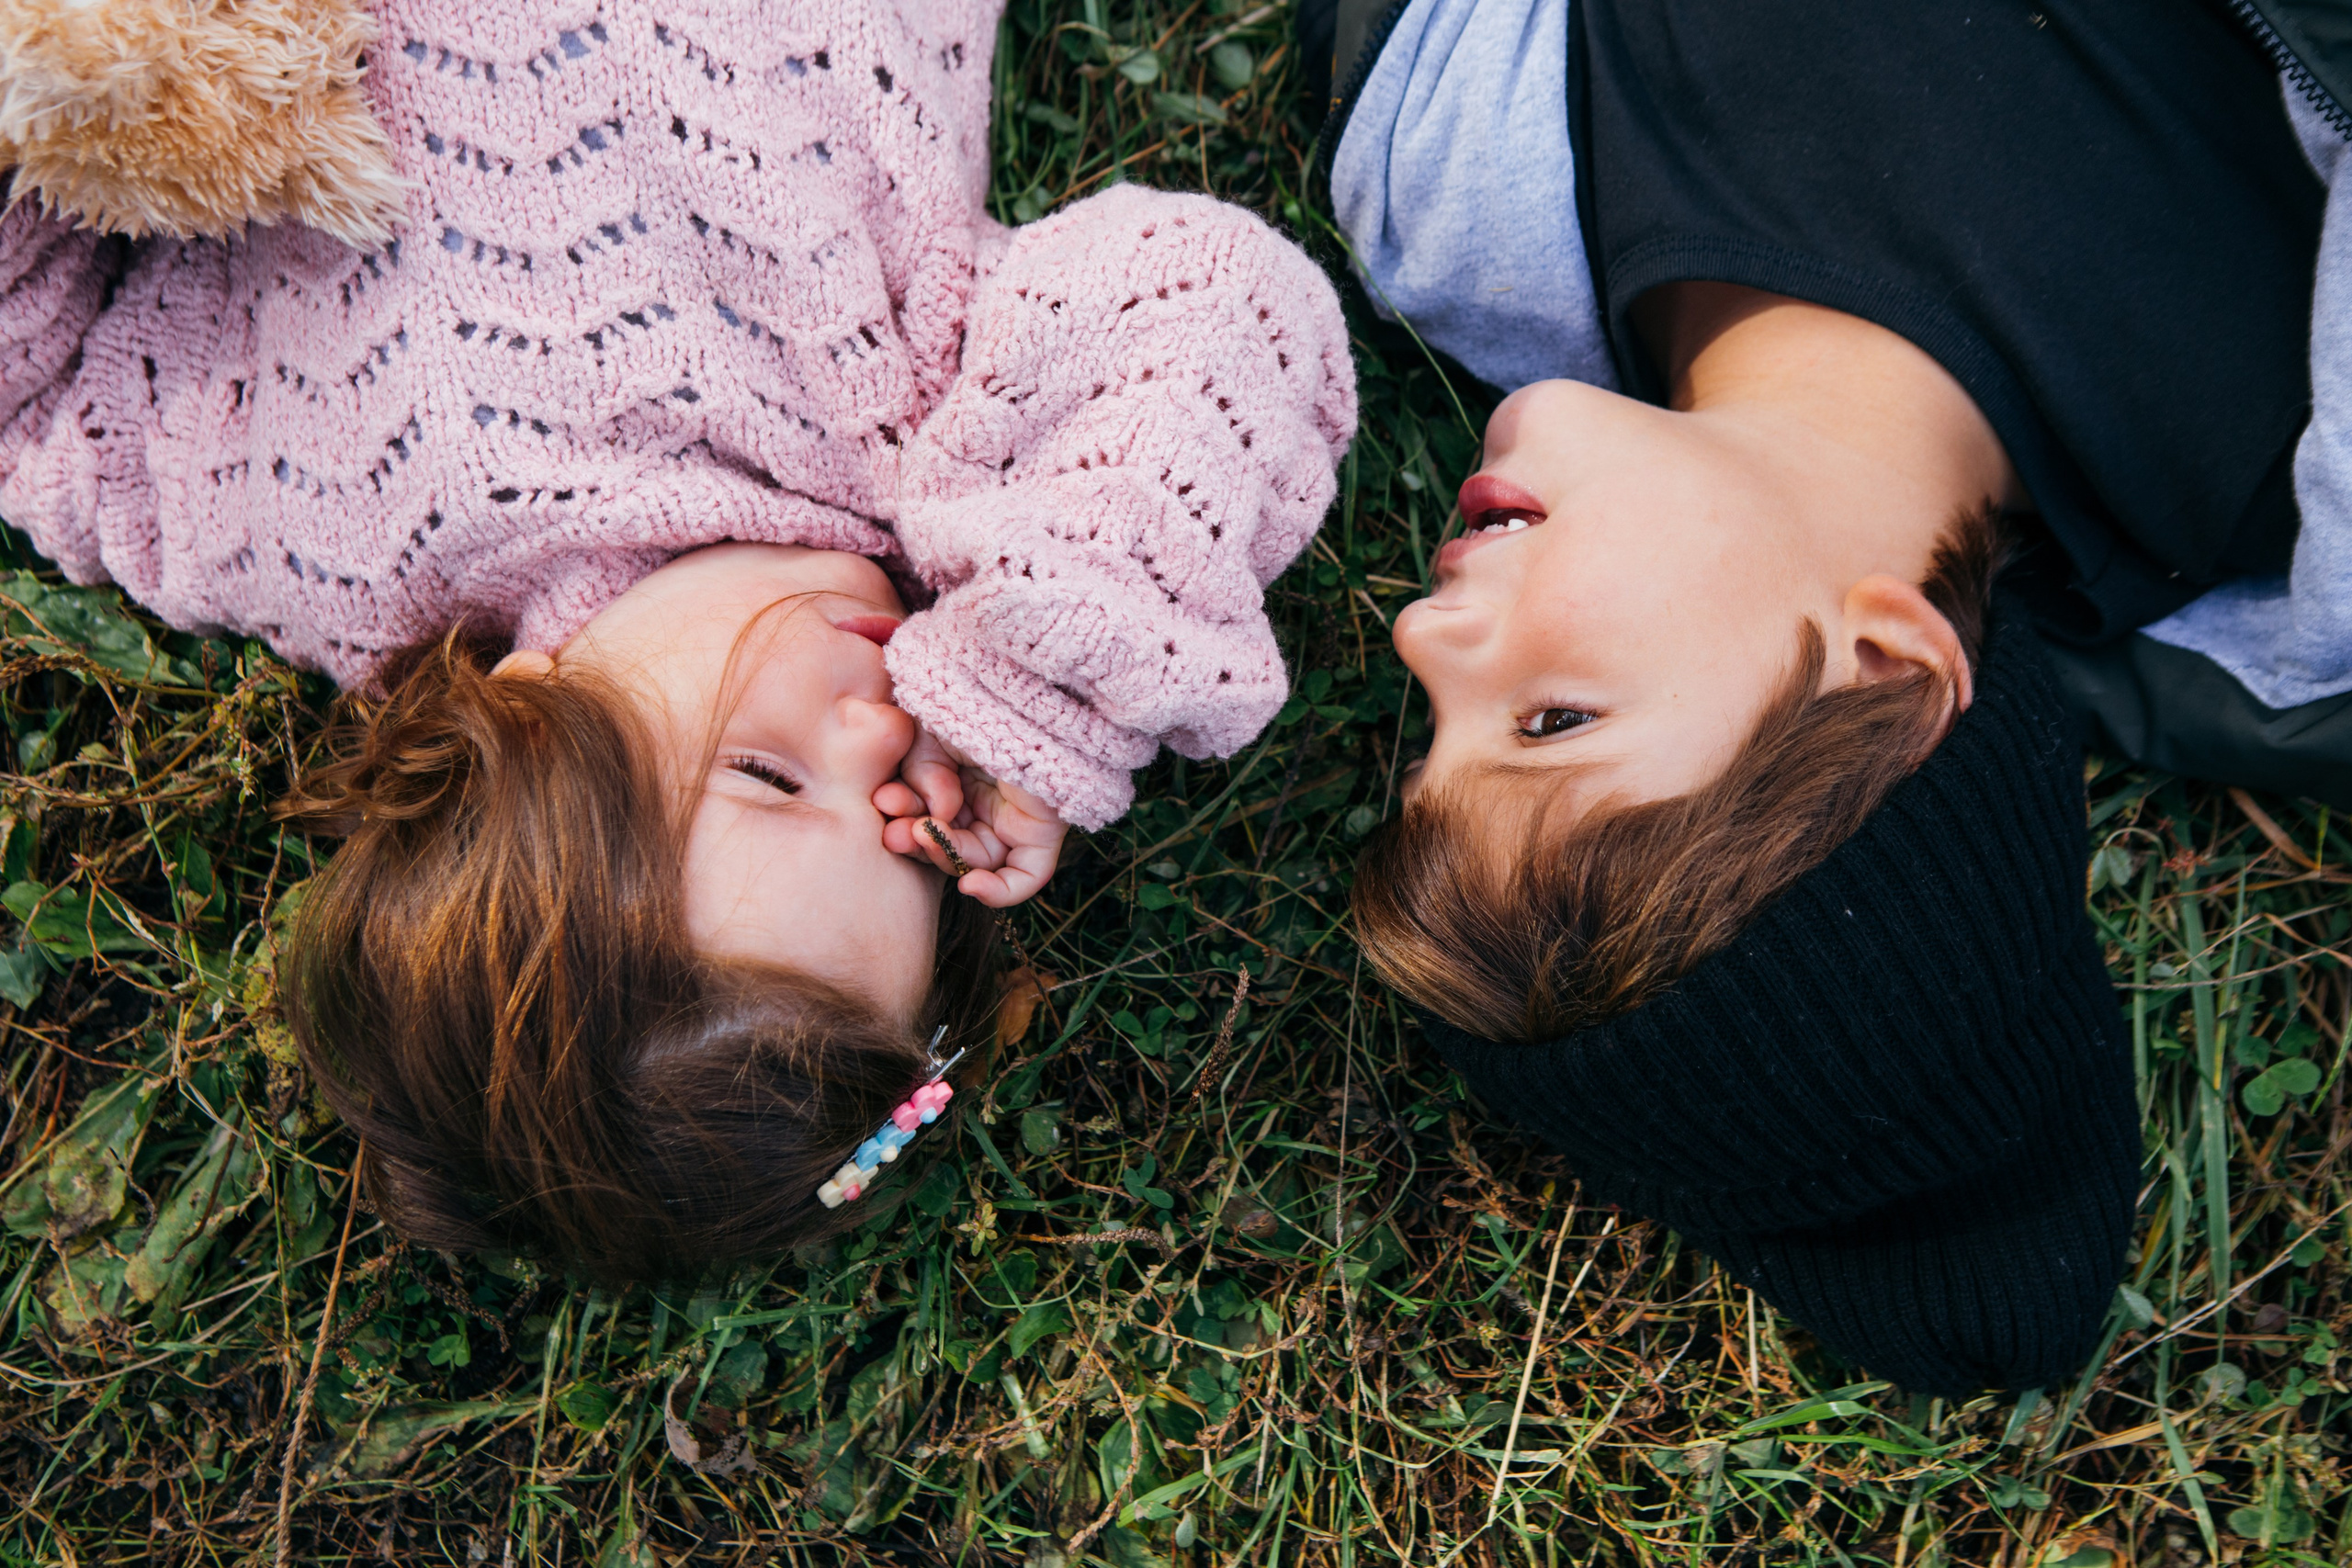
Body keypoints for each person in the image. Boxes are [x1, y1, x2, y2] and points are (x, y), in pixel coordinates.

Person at [0, 0, 1355, 1281]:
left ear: (523, 719)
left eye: (769, 776)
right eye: (904, 817)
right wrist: (1029, 690)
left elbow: (33, 398)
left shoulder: (300, 528)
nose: (885, 719)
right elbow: (1224, 305)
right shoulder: (923, 450)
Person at [1309, 0, 2348, 1396]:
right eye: (1553, 723)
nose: (1427, 638)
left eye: (1433, 732)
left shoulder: (1449, 177)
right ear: (1894, 672)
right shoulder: (2258, 435)